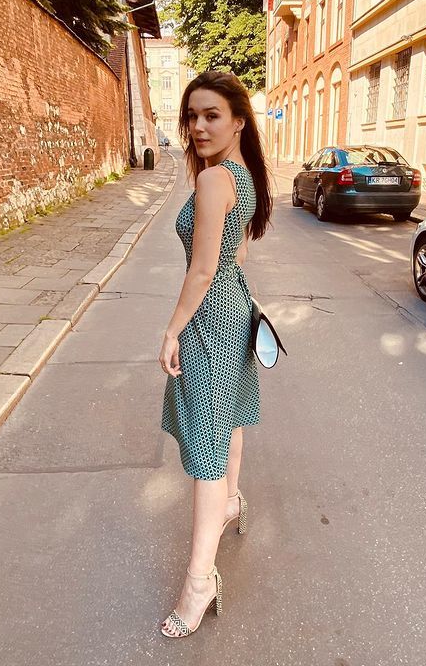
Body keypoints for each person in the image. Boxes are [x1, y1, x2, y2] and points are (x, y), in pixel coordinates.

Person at [158, 71, 273, 638]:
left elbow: (203, 269)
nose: (199, 126)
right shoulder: (242, 174)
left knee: (206, 447)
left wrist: (173, 328)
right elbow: (237, 257)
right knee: (228, 422)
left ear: (238, 121)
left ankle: (199, 581)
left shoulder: (212, 180)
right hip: (236, 309)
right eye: (192, 116)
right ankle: (230, 503)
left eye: (212, 115)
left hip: (210, 320)